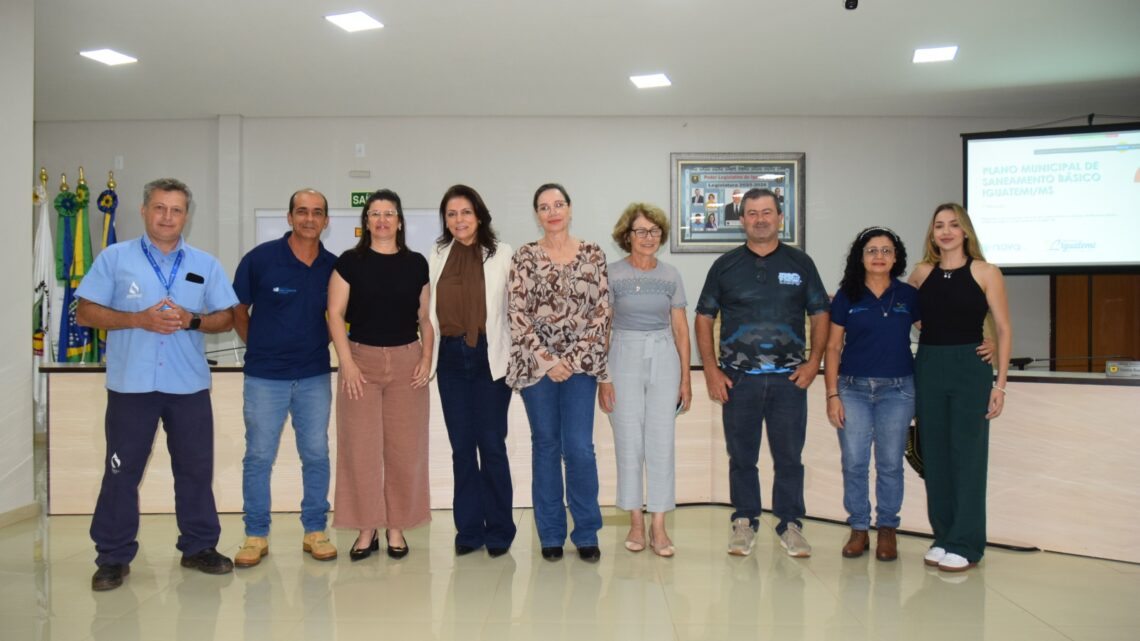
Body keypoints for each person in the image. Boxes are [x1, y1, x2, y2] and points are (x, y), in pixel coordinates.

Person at [76, 178, 238, 591]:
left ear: (187, 215)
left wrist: (193, 320)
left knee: (195, 471)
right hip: (131, 387)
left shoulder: (205, 263)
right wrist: (137, 319)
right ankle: (112, 557)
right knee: (121, 473)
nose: (168, 217)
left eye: (177, 210)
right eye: (160, 208)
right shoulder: (115, 259)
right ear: (145, 210)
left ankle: (199, 546)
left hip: (188, 387)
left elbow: (227, 317)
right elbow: (86, 312)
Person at [695, 187, 829, 558]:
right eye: (752, 213)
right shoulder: (725, 266)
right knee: (742, 456)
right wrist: (710, 369)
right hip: (738, 381)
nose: (760, 219)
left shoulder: (800, 264)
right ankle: (744, 521)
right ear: (743, 221)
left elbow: (820, 313)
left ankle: (790, 524)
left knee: (789, 456)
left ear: (779, 217)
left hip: (789, 380)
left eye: (767, 212)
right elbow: (704, 317)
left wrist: (813, 362)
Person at [231, 188, 338, 567]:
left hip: (313, 376)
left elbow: (339, 319)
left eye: (317, 213)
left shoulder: (334, 266)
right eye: (302, 212)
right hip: (265, 377)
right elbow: (237, 309)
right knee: (259, 455)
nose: (310, 218)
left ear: (326, 221)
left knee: (316, 453)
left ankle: (315, 530)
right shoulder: (260, 260)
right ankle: (255, 534)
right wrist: (258, 344)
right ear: (289, 217)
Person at [507, 183, 611, 563]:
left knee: (580, 449)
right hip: (538, 371)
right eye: (544, 206)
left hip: (582, 369)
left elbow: (602, 313)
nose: (552, 211)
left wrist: (574, 357)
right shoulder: (525, 257)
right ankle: (550, 534)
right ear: (537, 214)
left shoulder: (594, 254)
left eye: (558, 204)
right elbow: (516, 314)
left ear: (570, 209)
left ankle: (586, 533)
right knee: (547, 446)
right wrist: (549, 361)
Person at [328, 189, 433, 561]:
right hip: (361, 363)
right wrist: (347, 363)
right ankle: (366, 527)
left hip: (408, 362)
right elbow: (334, 314)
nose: (382, 219)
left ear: (400, 221)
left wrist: (427, 358)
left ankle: (396, 527)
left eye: (389, 213)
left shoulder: (417, 263)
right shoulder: (348, 263)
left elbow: (424, 319)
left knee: (405, 449)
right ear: (366, 222)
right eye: (375, 213)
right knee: (360, 449)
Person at [908, 203, 1011, 573]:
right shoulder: (921, 274)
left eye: (954, 225)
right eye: (939, 226)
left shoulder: (986, 272)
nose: (946, 231)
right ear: (932, 233)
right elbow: (905, 310)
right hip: (930, 365)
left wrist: (1000, 383)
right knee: (934, 457)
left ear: (965, 230)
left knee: (967, 456)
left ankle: (967, 543)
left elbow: (1002, 328)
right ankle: (944, 536)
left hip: (971, 367)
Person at [597, 203, 691, 557]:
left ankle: (659, 525)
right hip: (622, 354)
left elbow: (681, 328)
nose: (648, 237)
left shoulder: (670, 275)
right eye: (641, 231)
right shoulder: (612, 273)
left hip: (664, 353)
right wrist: (603, 377)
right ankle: (636, 522)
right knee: (628, 440)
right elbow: (603, 327)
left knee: (661, 441)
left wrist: (686, 378)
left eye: (654, 231)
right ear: (627, 236)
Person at [427, 185, 515, 558]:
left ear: (479, 215)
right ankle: (468, 529)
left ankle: (499, 529)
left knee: (492, 446)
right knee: (461, 448)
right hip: (449, 358)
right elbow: (425, 312)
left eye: (465, 212)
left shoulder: (503, 254)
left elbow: (515, 310)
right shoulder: (435, 254)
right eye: (451, 214)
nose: (458, 220)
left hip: (488, 360)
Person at [823, 227, 919, 561]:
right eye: (872, 251)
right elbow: (833, 347)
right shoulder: (847, 295)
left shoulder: (909, 295)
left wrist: (987, 339)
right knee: (854, 461)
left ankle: (888, 529)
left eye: (886, 251)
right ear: (860, 257)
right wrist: (832, 395)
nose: (879, 257)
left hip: (899, 390)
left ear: (896, 257)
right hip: (853, 389)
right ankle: (859, 528)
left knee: (891, 463)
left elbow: (939, 332)